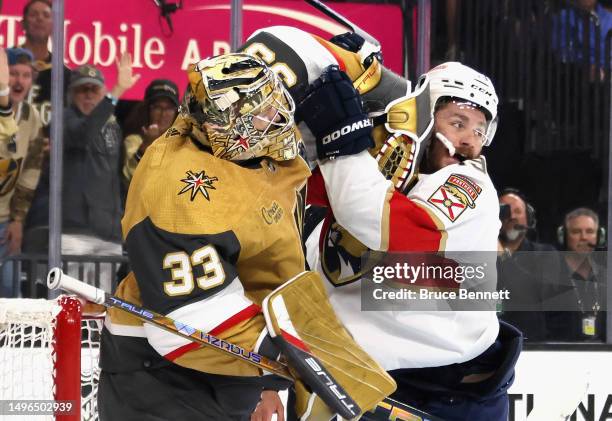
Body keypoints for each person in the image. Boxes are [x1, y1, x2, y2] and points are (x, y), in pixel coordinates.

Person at [239, 27, 521, 420]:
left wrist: (342, 139)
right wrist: (354, 79)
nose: (470, 140)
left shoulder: (469, 184)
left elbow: (388, 225)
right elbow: (299, 189)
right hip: (367, 376)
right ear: (422, 113)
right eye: (458, 122)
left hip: (449, 394)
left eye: (479, 130)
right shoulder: (381, 163)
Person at [98, 53, 393, 421]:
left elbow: (269, 267)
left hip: (231, 369)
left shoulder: (253, 151)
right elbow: (188, 323)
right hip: (161, 377)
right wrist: (287, 357)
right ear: (231, 127)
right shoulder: (177, 192)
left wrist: (267, 383)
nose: (280, 117)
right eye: (264, 113)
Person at [61, 55, 139, 292]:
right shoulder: (65, 120)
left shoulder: (113, 125)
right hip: (75, 232)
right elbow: (85, 133)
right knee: (72, 306)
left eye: (93, 89)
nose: (88, 95)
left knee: (100, 306)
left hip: (107, 233)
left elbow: (115, 178)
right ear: (71, 95)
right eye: (82, 89)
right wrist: (115, 92)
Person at [0, 47, 44, 297]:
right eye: (13, 73)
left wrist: (18, 219)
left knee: (9, 294)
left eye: (25, 75)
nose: (19, 81)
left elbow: (31, 172)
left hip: (4, 221)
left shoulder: (32, 117)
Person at [496, 188, 557, 341]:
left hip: (534, 348)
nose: (512, 217)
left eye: (517, 211)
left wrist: (503, 256)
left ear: (528, 217)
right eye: (505, 211)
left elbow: (533, 294)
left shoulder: (546, 255)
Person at [546, 207, 606, 341]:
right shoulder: (549, 277)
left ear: (599, 237)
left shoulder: (606, 277)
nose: (584, 237)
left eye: (590, 231)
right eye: (576, 232)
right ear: (563, 236)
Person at [122, 79, 179, 186]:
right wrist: (146, 145)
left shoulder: (184, 141)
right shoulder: (134, 141)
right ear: (147, 110)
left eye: (169, 108)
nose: (163, 114)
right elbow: (131, 177)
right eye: (157, 107)